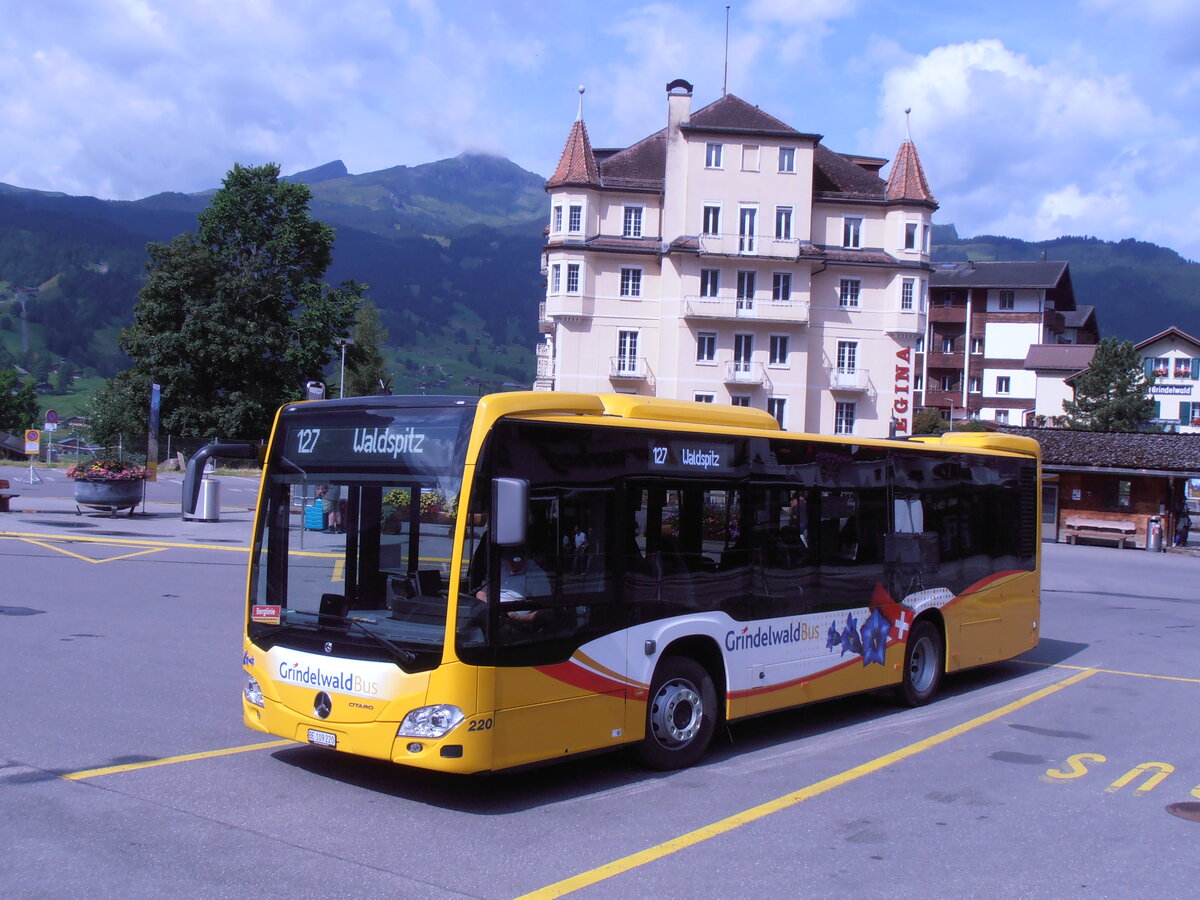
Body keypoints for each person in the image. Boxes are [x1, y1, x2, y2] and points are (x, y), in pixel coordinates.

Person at [475, 547, 551, 623]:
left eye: (516, 559)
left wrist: (519, 618)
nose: (510, 562)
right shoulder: (503, 566)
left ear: (525, 556)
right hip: (488, 610)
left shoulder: (535, 575)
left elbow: (547, 611)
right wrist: (482, 593)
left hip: (510, 620)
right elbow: (491, 584)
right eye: (507, 558)